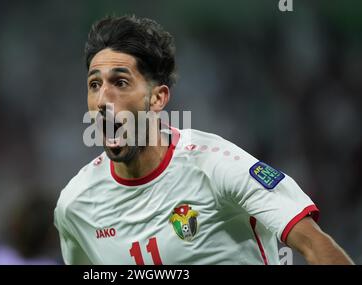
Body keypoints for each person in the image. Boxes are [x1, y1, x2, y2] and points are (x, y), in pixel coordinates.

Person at [53, 15, 354, 265]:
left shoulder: (216, 166)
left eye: (120, 82)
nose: (103, 99)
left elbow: (316, 246)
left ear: (157, 98)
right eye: (94, 85)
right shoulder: (76, 205)